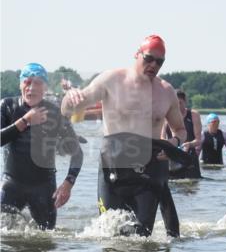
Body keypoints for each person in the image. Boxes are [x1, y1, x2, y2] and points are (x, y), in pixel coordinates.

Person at [61, 35, 192, 237]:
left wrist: (173, 144)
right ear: (137, 54)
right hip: (112, 167)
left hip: (150, 168)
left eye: (160, 61)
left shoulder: (166, 92)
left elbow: (181, 131)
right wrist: (69, 98)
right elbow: (68, 110)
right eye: (149, 58)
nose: (154, 65)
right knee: (108, 233)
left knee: (141, 237)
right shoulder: (111, 80)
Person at [1, 63, 83, 229]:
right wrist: (25, 120)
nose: (31, 88)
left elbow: (77, 154)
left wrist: (68, 184)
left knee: (46, 243)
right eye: (27, 82)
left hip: (43, 188)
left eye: (37, 83)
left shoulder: (55, 113)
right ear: (20, 84)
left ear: (45, 87)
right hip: (12, 184)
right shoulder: (7, 106)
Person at [161, 90, 202, 179]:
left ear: (185, 101)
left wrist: (189, 144)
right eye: (175, 103)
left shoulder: (194, 115)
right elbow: (162, 138)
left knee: (191, 186)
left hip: (189, 156)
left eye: (180, 103)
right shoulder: (166, 116)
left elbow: (199, 140)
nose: (178, 106)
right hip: (173, 157)